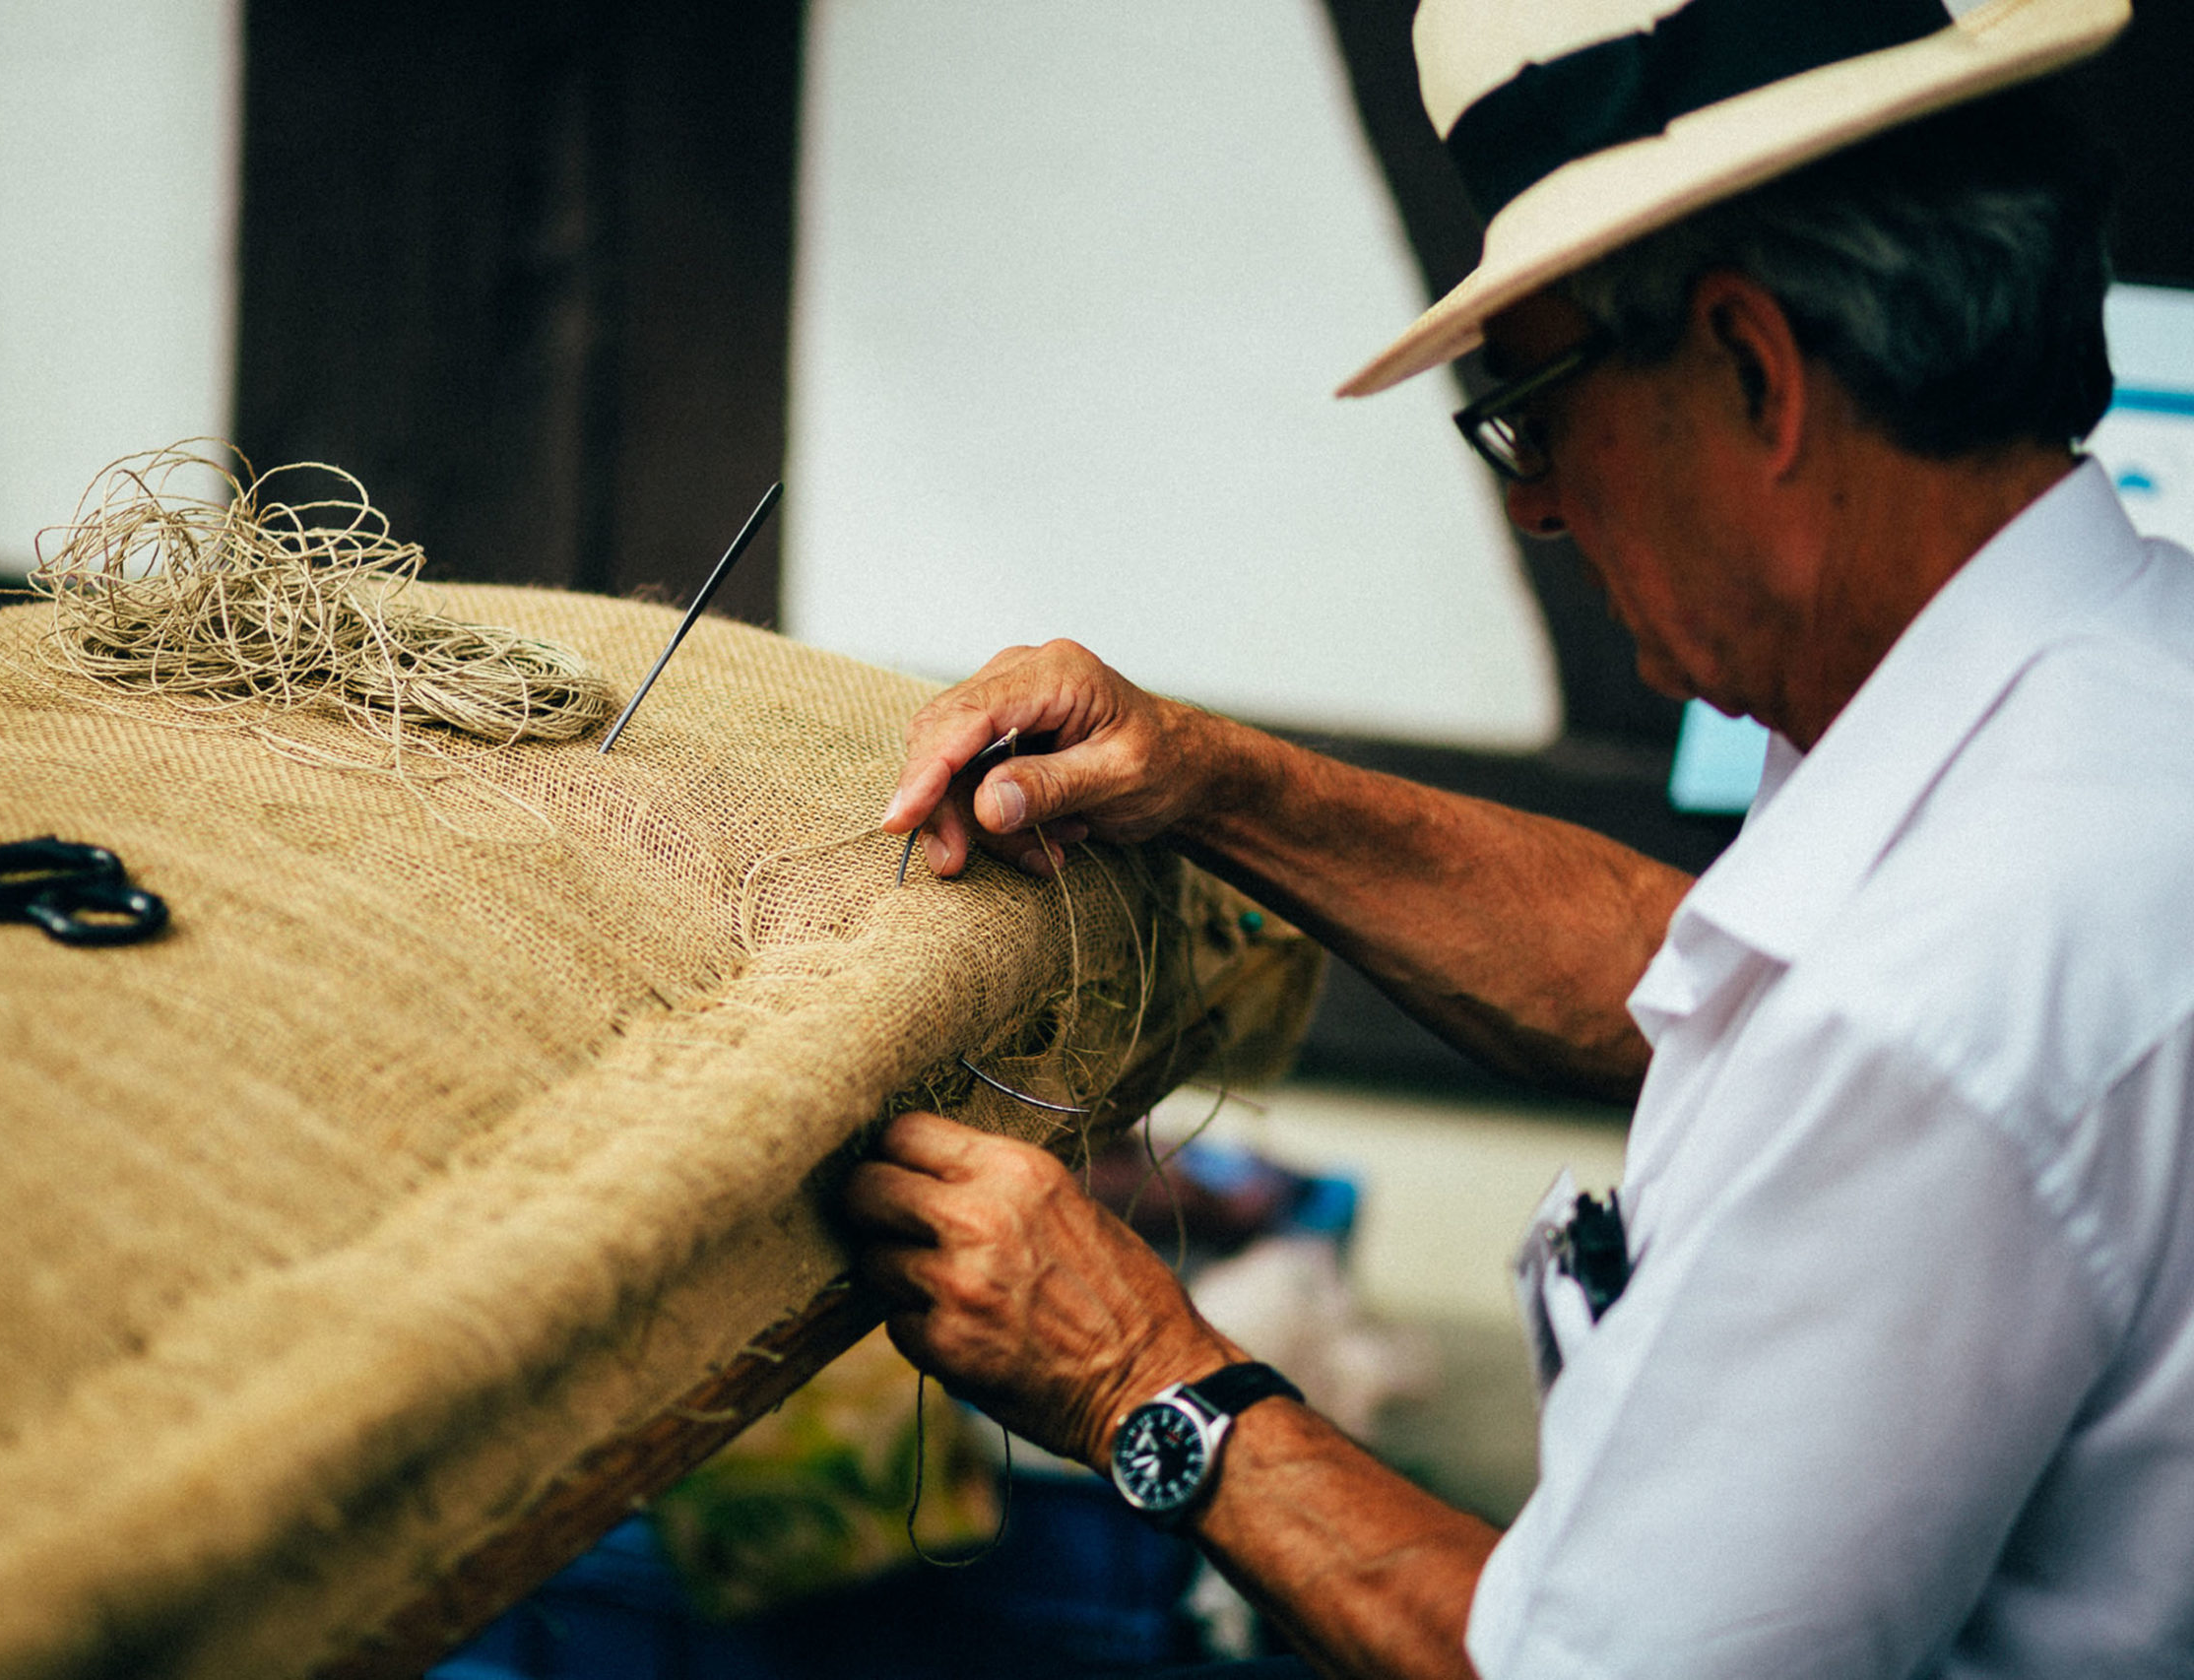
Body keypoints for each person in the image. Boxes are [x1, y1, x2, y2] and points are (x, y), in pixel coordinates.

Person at [838, 1, 2194, 1675]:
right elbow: (1676, 977)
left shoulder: (1944, 996)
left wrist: (1137, 1375)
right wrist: (1216, 779)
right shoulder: (2111, 694)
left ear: (1754, 371)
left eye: (1532, 407)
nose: (1535, 498)